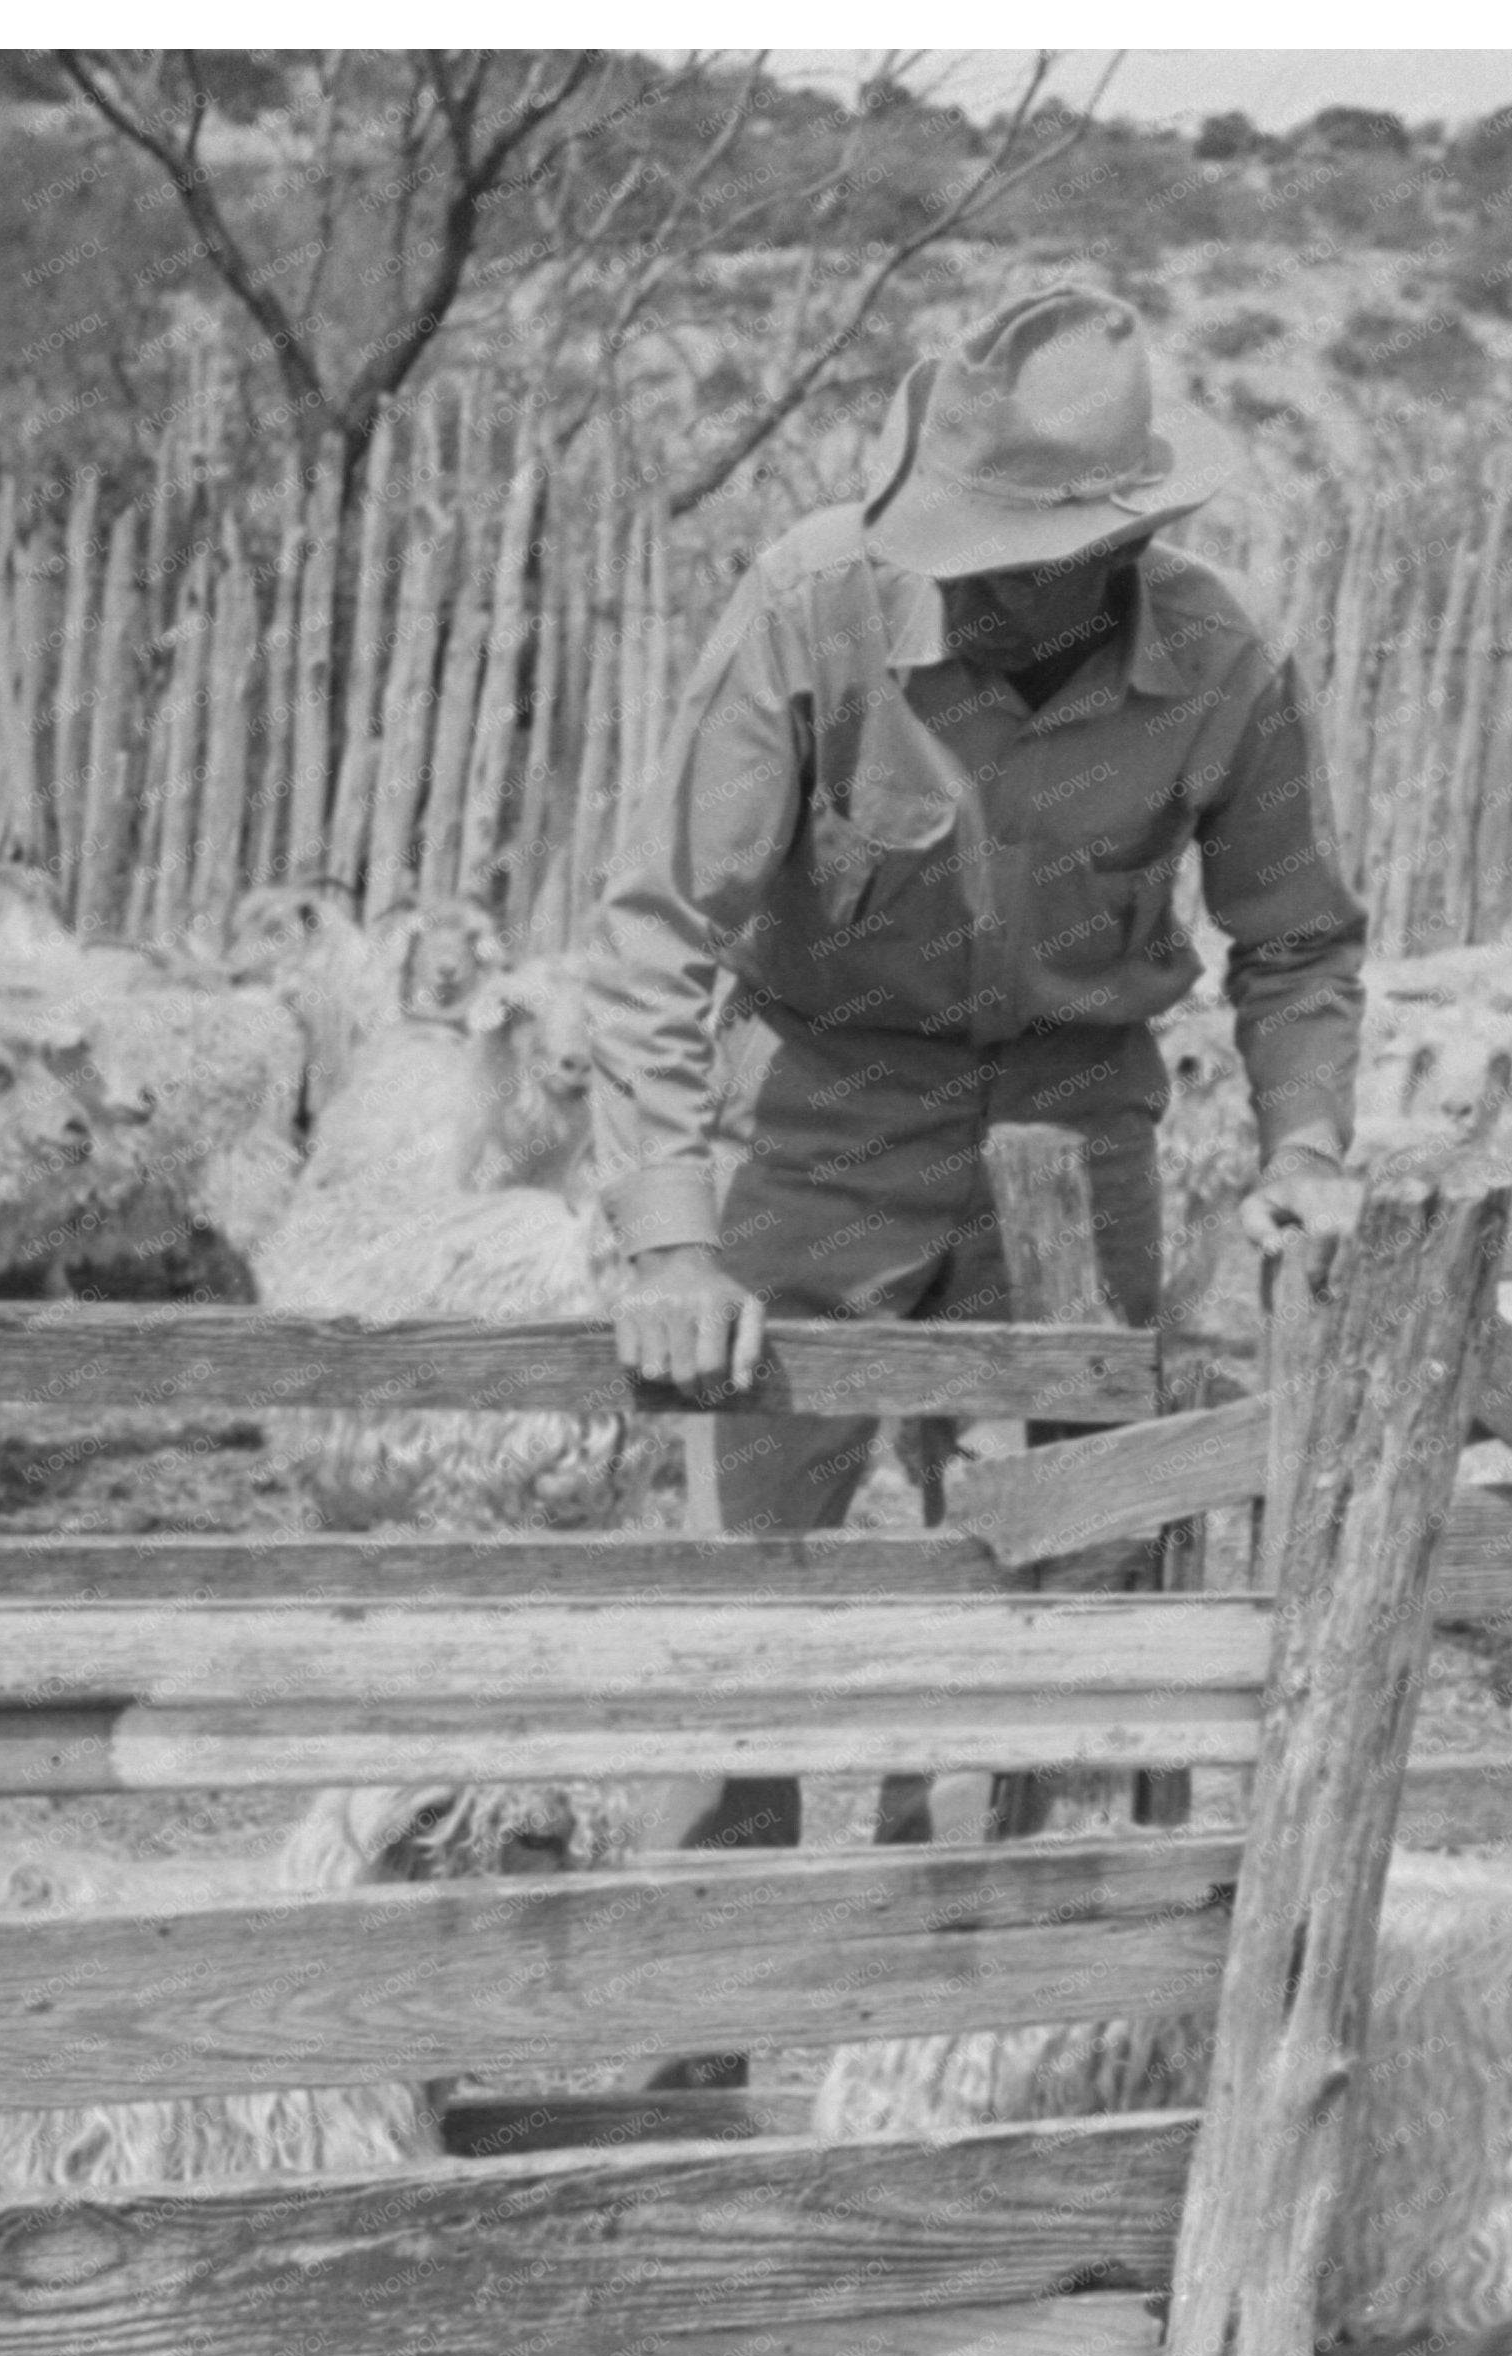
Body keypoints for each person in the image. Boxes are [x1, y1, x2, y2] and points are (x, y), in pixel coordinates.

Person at [591, 283, 1369, 1867]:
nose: (974, 589)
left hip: (1078, 1137)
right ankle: (694, 2029)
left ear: (1116, 543)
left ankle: (1029, 2025)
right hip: (814, 1126)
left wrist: (1306, 1148)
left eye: (1010, 562)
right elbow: (665, 925)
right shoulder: (813, 605)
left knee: (1079, 1584)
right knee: (739, 1586)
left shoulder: (1222, 662)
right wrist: (669, 1238)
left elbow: (1294, 945)